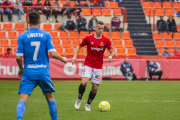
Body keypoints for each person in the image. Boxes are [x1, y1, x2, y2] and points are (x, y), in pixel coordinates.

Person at [16, 11, 67, 120]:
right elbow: (53, 53)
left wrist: (21, 68)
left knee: (22, 99)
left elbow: (18, 57)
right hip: (43, 72)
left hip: (28, 72)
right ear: (39, 21)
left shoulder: (22, 36)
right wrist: (63, 59)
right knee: (50, 98)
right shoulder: (46, 35)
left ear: (28, 21)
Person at [72, 21, 115, 111]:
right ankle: (79, 99)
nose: (100, 30)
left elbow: (112, 50)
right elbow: (79, 46)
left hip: (98, 67)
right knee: (84, 83)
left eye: (102, 29)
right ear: (95, 28)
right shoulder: (88, 38)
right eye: (99, 28)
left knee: (94, 88)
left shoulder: (106, 40)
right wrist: (75, 56)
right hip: (88, 64)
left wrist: (111, 56)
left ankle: (88, 105)